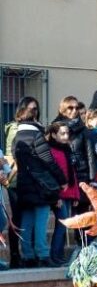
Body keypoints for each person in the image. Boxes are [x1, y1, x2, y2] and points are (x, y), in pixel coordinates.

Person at [13, 103, 67, 268]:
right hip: (40, 185)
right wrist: (61, 180)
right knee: (41, 220)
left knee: (27, 220)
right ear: (35, 117)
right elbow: (48, 161)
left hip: (24, 183)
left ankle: (28, 255)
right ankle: (43, 255)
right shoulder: (36, 136)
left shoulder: (16, 137)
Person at [5, 97, 41, 268]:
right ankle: (15, 255)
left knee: (30, 218)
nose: (33, 112)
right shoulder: (16, 128)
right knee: (17, 220)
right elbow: (13, 154)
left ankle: (29, 254)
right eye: (30, 109)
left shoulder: (38, 127)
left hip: (32, 181)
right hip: (16, 181)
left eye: (35, 109)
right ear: (21, 110)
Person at [51, 96, 96, 204]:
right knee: (63, 215)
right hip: (62, 174)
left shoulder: (83, 129)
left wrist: (92, 179)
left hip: (81, 173)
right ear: (63, 109)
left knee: (81, 212)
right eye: (70, 108)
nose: (74, 110)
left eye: (76, 107)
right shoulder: (54, 127)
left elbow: (90, 155)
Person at [46, 122, 80, 265]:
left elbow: (72, 173)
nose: (66, 136)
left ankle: (58, 255)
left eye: (67, 133)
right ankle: (55, 256)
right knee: (62, 223)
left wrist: (76, 194)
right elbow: (52, 175)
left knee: (64, 224)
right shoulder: (50, 151)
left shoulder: (67, 149)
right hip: (58, 194)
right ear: (54, 135)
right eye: (62, 133)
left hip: (68, 193)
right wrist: (56, 196)